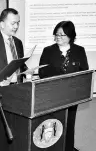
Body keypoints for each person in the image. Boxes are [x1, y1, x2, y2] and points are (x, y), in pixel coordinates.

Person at [39, 20, 89, 151]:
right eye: (56, 34)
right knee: (52, 124)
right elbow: (42, 72)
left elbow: (84, 71)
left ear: (70, 36)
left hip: (72, 95)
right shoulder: (48, 51)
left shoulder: (79, 50)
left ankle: (68, 147)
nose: (58, 37)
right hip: (52, 95)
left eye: (62, 35)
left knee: (70, 123)